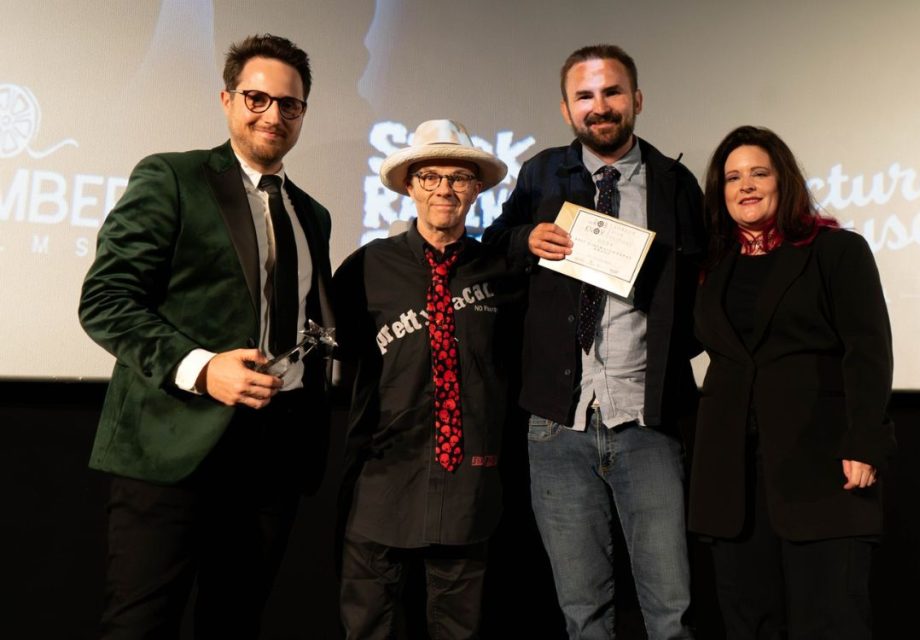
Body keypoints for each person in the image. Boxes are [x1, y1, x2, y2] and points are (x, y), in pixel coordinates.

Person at [78, 34, 334, 637]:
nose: (273, 114)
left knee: (235, 624)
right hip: (171, 446)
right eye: (256, 98)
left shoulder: (312, 212)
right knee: (140, 626)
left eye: (289, 104)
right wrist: (201, 367)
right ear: (227, 100)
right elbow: (105, 300)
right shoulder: (172, 176)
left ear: (302, 114)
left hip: (272, 455)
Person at [483, 45, 706, 639]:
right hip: (558, 422)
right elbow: (494, 246)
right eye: (585, 96)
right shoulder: (541, 174)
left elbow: (700, 289)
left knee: (671, 612)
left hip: (647, 418)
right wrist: (526, 237)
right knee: (583, 614)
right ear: (566, 109)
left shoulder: (675, 182)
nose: (599, 107)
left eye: (611, 93)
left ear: (636, 100)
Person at [688, 125, 896, 639]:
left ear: (784, 181)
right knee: (749, 624)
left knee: (832, 623)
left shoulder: (836, 251)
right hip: (731, 481)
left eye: (759, 172)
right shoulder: (711, 266)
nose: (746, 185)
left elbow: (868, 350)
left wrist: (864, 442)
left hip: (823, 470)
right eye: (733, 177)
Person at [332, 119, 522, 638]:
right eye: (431, 176)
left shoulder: (501, 272)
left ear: (477, 189)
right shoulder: (367, 268)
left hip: (469, 482)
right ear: (410, 186)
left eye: (459, 177)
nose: (445, 188)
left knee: (460, 629)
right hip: (383, 475)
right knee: (369, 626)